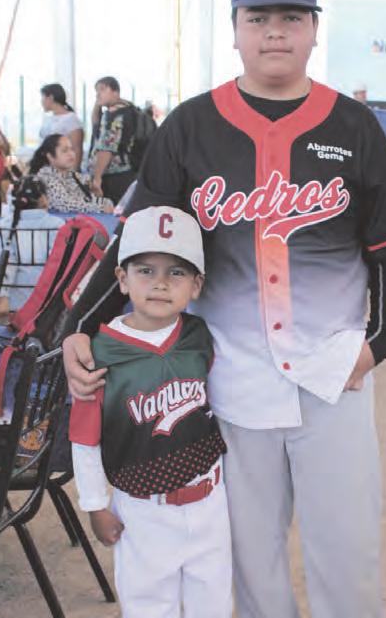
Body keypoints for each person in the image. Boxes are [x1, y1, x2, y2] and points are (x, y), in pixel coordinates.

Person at [63, 0, 386, 617]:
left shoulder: (354, 126)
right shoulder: (189, 126)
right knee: (252, 561)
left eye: (290, 17)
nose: (274, 32)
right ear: (234, 29)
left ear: (314, 28)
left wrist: (378, 344)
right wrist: (78, 328)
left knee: (347, 554)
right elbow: (137, 240)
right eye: (258, 17)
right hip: (231, 378)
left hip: (333, 374)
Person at [69, 205, 231, 618]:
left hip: (210, 501)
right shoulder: (100, 352)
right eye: (145, 270)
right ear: (122, 279)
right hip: (143, 509)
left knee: (213, 602)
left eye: (176, 272)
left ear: (196, 285)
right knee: (148, 606)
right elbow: (84, 439)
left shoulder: (200, 336)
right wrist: (95, 505)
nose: (160, 283)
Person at [0, 176, 64, 317]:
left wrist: (3, 298)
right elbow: (58, 264)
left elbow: (7, 265)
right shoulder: (57, 224)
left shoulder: (6, 225)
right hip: (48, 301)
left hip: (15, 303)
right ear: (43, 199)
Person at [29, 134, 113, 214]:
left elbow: (89, 200)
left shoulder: (74, 176)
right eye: (64, 151)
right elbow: (65, 205)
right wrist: (100, 208)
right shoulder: (46, 177)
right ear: (50, 156)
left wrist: (98, 194)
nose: (71, 154)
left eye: (71, 149)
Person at [88, 76, 136, 205]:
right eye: (96, 91)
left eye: (102, 89)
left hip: (113, 177)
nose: (98, 94)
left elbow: (106, 148)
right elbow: (95, 124)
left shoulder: (114, 115)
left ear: (115, 92)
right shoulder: (128, 109)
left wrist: (97, 178)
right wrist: (98, 103)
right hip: (127, 173)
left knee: (109, 212)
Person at [39, 83, 84, 170]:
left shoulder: (71, 119)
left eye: (43, 97)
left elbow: (77, 149)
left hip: (64, 171)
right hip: (46, 169)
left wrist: (72, 173)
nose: (41, 102)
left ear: (50, 97)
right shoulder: (48, 119)